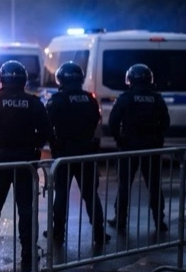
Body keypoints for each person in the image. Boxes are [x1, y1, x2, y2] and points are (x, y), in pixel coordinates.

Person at [0, 60, 50, 271]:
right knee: (25, 208)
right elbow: (45, 131)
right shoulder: (33, 103)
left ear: (2, 79)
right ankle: (28, 251)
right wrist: (34, 145)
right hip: (25, 162)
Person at [45, 62, 110, 246]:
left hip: (63, 155)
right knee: (91, 195)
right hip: (86, 154)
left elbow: (48, 126)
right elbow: (96, 121)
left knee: (61, 195)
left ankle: (57, 233)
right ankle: (99, 233)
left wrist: (53, 142)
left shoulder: (57, 100)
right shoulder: (90, 99)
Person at [107, 63, 170, 233]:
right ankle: (159, 221)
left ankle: (120, 219)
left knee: (124, 185)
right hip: (151, 149)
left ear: (131, 79)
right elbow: (166, 122)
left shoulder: (125, 98)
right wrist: (156, 138)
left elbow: (113, 123)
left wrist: (119, 139)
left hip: (129, 148)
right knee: (154, 186)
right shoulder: (157, 98)